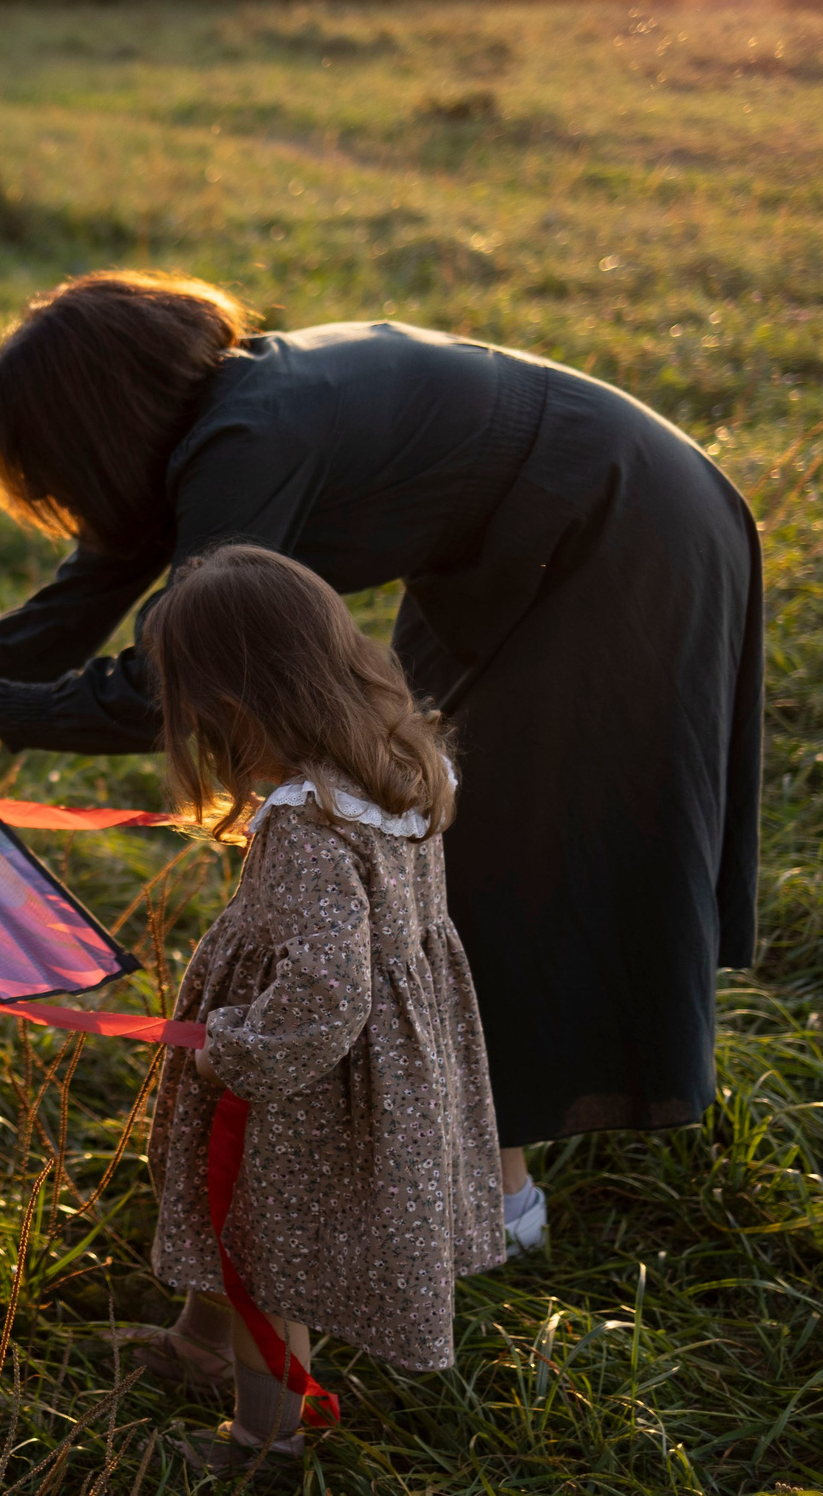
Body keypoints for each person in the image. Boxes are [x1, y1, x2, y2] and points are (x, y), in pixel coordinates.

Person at [0, 272, 762, 1253]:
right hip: (522, 548)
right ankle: (452, 1163)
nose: (60, 501)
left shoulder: (249, 440)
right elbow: (71, 608)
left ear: (94, 431)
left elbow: (182, 680)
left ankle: (497, 1204)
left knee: (502, 860)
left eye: (54, 470)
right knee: (425, 842)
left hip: (615, 535)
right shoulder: (213, 429)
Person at [120, 544, 501, 1474]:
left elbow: (327, 991)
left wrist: (234, 1052)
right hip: (386, 1061)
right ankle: (200, 1342)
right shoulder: (400, 767)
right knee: (240, 1218)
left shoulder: (305, 822)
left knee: (268, 1248)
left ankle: (264, 1441)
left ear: (236, 712)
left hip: (303, 1083)